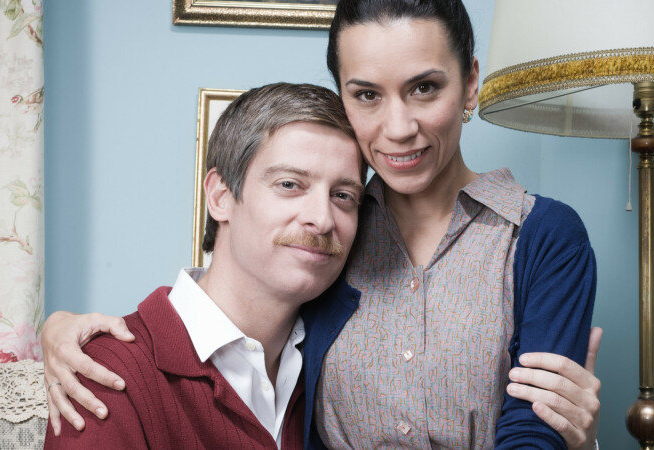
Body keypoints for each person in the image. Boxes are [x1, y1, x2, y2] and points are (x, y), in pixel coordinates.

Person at [43, 1, 602, 448]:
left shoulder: (537, 235)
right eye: (367, 95)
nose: (399, 127)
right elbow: (226, 308)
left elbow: (539, 426)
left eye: (424, 87)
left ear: (471, 82)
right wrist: (62, 330)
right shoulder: (328, 246)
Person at [43, 82, 367, 449]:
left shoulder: (334, 366)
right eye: (290, 184)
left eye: (343, 195)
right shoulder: (107, 373)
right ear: (220, 196)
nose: (322, 219)